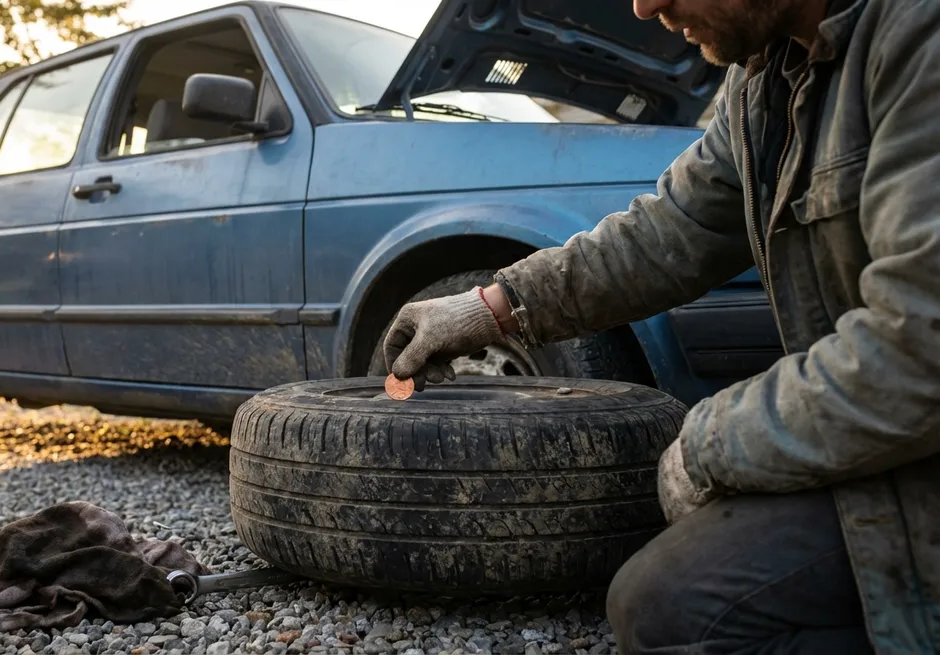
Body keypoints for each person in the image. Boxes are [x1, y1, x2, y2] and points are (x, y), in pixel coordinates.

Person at [380, 0, 940, 652]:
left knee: (676, 610)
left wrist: (710, 442)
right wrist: (492, 305)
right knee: (654, 598)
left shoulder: (917, 33)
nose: (645, 6)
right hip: (897, 437)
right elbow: (670, 230)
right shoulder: (766, 80)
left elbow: (920, 344)